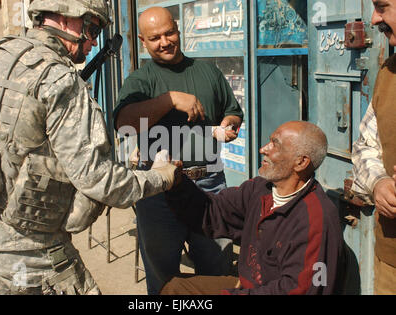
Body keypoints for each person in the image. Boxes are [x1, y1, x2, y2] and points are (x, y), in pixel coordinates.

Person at [0, 0, 176, 295]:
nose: (94, 41)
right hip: (24, 246)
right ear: (65, 19)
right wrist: (160, 177)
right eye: (92, 28)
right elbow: (99, 181)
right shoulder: (58, 79)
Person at [113, 6, 244, 294]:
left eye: (169, 32)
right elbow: (123, 123)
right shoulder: (140, 81)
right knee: (163, 281)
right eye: (155, 37)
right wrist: (170, 100)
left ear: (179, 30)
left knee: (218, 272)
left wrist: (229, 124)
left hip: (210, 186)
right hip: (158, 192)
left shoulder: (207, 71)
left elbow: (233, 112)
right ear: (143, 41)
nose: (164, 42)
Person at [161, 121, 345, 295]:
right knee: (174, 290)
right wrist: (177, 184)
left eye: (275, 144)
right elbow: (212, 213)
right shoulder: (259, 188)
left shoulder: (316, 219)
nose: (263, 149)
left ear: (301, 162)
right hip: (247, 286)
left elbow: (297, 290)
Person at [350, 0, 396, 295]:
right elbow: (366, 145)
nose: (374, 17)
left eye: (382, 6)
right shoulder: (388, 73)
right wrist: (378, 183)